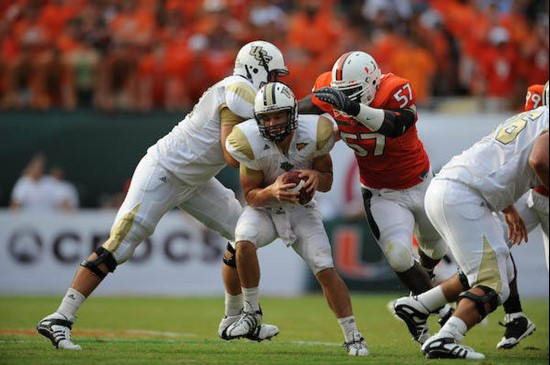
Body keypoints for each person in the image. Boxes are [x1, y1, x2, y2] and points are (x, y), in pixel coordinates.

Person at [36, 40, 289, 350]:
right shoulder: (239, 90)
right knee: (121, 244)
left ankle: (233, 319)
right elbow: (230, 155)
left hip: (195, 180)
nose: (277, 82)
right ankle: (60, 318)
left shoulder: (243, 92)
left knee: (244, 233)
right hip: (165, 171)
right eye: (274, 75)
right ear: (257, 68)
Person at [299, 51, 452, 342]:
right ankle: (438, 312)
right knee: (398, 257)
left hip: (420, 184)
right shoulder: (329, 86)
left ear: (372, 82)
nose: (347, 99)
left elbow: (397, 124)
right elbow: (304, 108)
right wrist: (277, 113)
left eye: (354, 93)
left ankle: (417, 304)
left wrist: (352, 108)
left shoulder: (395, 88)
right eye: (343, 94)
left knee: (433, 249)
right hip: (381, 193)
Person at [391, 105, 549, 359]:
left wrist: (508, 207)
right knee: (493, 283)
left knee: (501, 270)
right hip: (462, 196)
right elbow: (539, 159)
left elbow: (500, 159)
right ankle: (446, 337)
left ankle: (418, 306)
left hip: (451, 187)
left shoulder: (536, 116)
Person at [224, 82, 369, 356]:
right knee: (242, 240)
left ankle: (353, 336)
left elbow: (327, 181)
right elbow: (251, 196)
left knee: (324, 267)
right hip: (264, 208)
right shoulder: (247, 140)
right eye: (266, 117)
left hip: (302, 210)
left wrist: (317, 177)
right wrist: (271, 190)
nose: (273, 122)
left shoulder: (316, 132)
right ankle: (252, 311)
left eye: (278, 115)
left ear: (292, 113)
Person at [493, 81, 549, 350]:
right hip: (532, 195)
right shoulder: (538, 94)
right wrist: (507, 203)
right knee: (492, 244)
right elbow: (528, 149)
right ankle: (515, 316)